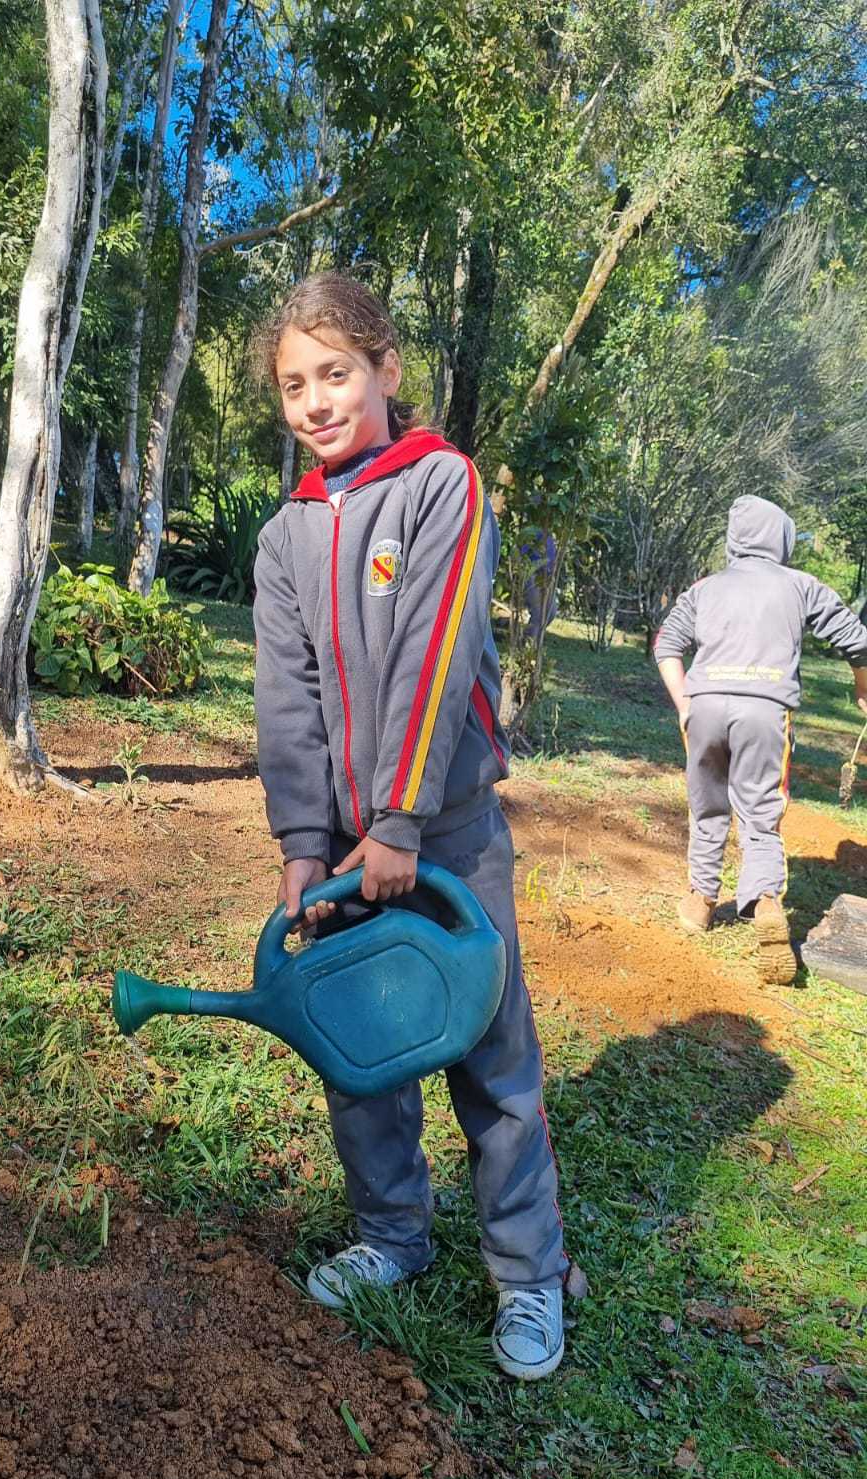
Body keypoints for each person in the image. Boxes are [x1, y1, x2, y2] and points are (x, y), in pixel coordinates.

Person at [251, 273, 573, 1381]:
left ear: (386, 370)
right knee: (361, 1048)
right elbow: (286, 700)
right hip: (346, 853)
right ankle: (392, 1234)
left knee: (492, 1054)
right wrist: (306, 844)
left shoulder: (442, 484)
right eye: (294, 384)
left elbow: (438, 654)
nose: (315, 401)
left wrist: (400, 820)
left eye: (336, 373)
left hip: (448, 836)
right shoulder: (286, 535)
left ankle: (528, 1272)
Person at [654, 495, 867, 981]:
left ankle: (700, 902)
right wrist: (862, 688)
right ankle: (766, 901)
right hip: (765, 711)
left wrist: (685, 705)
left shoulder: (706, 587)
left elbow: (667, 644)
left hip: (706, 704)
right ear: (782, 539)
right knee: (759, 810)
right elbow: (857, 640)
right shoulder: (800, 585)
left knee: (707, 803)